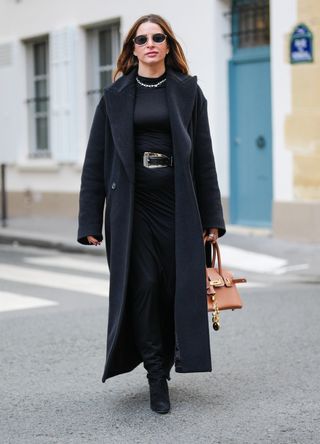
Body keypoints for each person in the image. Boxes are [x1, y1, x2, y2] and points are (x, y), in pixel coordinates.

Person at [77, 13, 226, 414]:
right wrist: (90, 220)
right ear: (132, 49)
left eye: (157, 37)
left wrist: (212, 218)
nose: (150, 44)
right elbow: (96, 162)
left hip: (178, 207)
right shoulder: (115, 97)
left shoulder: (188, 93)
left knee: (173, 290)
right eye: (141, 39)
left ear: (167, 44)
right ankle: (156, 377)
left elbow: (204, 160)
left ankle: (169, 360)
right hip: (132, 210)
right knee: (142, 288)